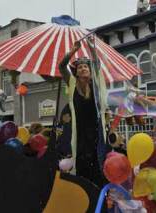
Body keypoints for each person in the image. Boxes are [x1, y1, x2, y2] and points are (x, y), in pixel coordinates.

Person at [59, 39, 107, 187]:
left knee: (98, 166)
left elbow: (97, 65)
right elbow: (61, 66)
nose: (83, 68)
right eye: (79, 67)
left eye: (86, 66)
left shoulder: (95, 84)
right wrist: (73, 50)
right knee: (82, 167)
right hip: (78, 134)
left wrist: (92, 48)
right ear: (76, 72)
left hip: (95, 133)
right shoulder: (73, 84)